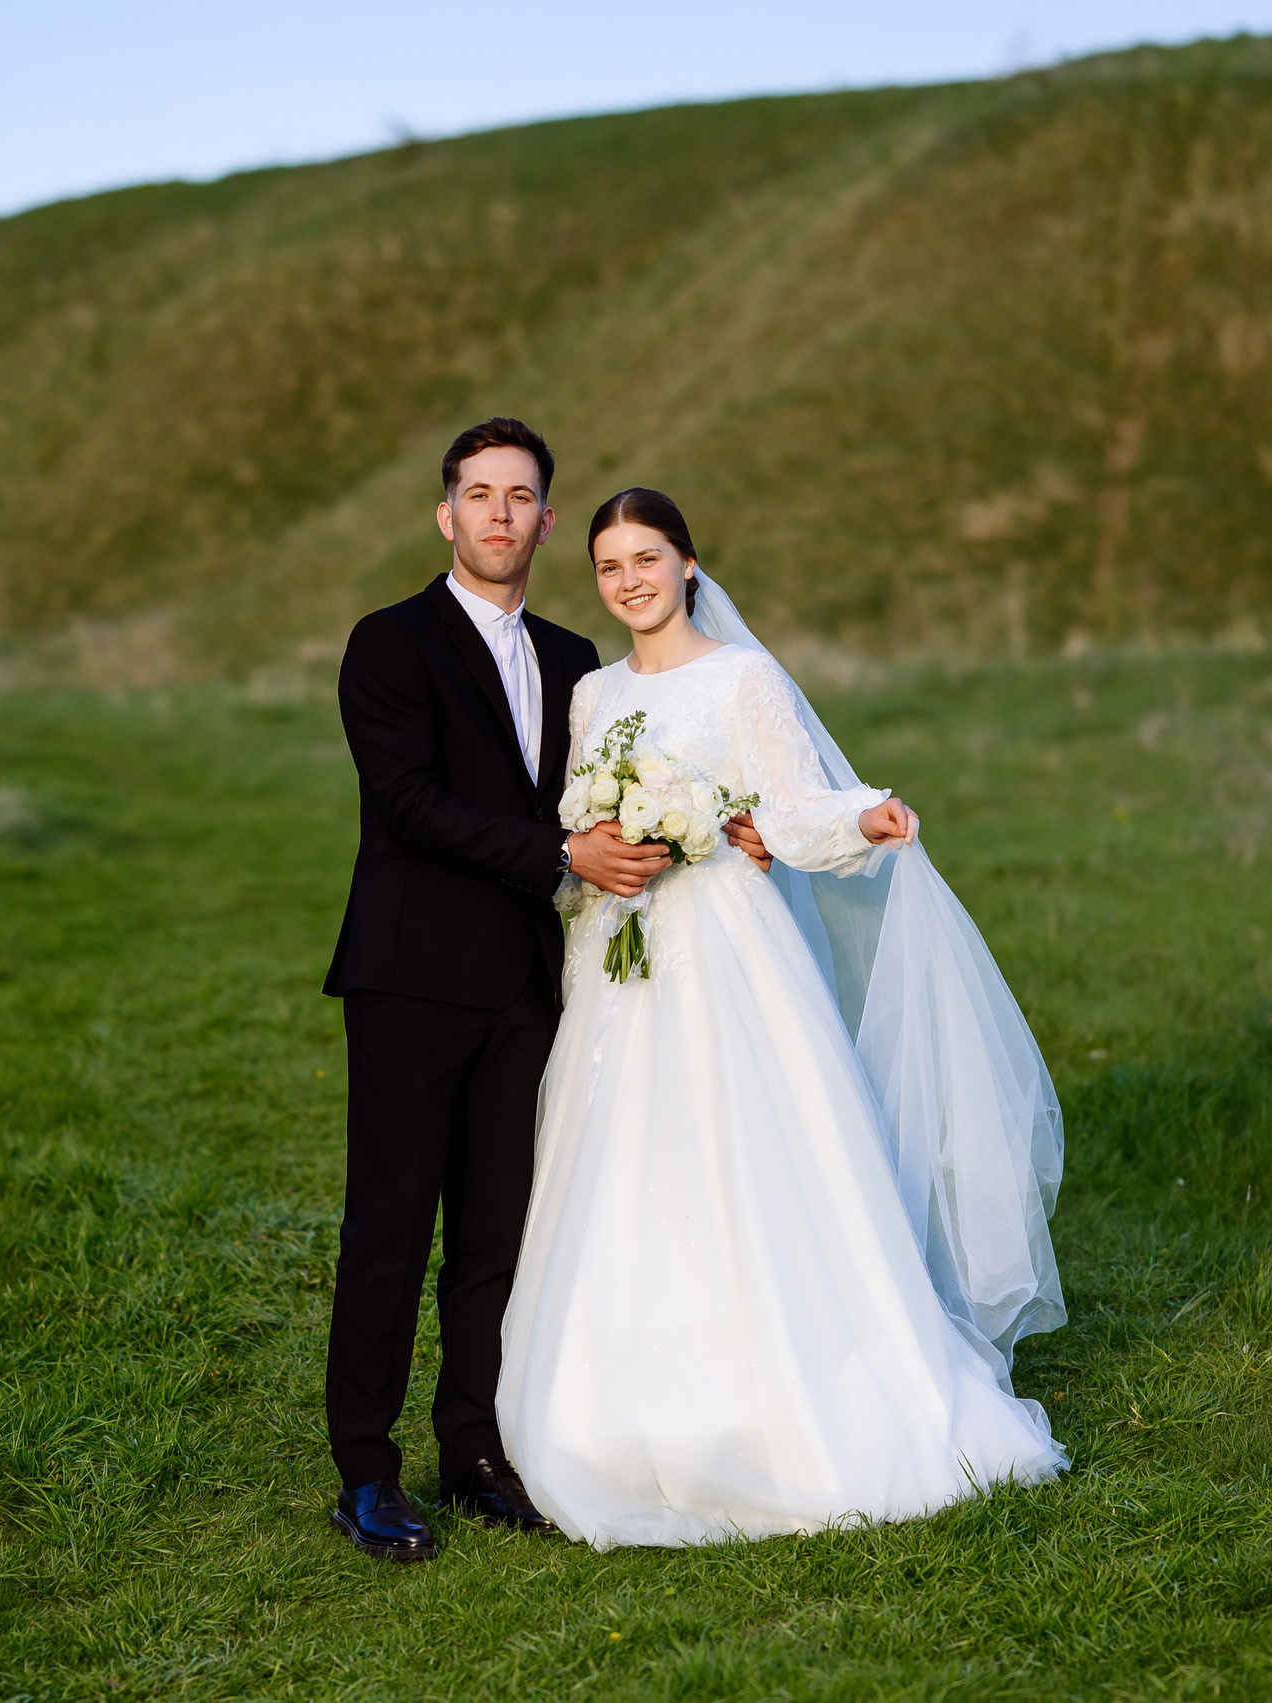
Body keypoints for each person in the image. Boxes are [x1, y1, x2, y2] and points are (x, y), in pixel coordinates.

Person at [496, 487, 1069, 1548]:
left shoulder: (744, 677)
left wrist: (861, 814)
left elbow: (790, 802)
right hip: (619, 957)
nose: (629, 580)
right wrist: (596, 849)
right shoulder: (594, 691)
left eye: (647, 558)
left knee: (744, 1156)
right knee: (622, 1164)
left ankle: (792, 1407)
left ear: (690, 563)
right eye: (610, 564)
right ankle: (611, 1419)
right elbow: (578, 813)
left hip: (725, 951)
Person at [323, 424, 771, 1560]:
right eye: (478, 495)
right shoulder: (389, 644)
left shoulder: (579, 661)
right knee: (390, 1221)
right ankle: (366, 1471)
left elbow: (627, 787)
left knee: (496, 1234)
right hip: (411, 977)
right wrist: (561, 859)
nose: (498, 515)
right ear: (446, 516)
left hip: (532, 984)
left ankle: (473, 1447)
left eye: (520, 497)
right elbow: (409, 803)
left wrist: (729, 830)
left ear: (545, 522)